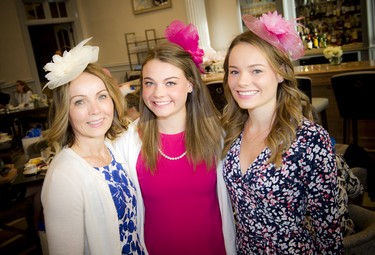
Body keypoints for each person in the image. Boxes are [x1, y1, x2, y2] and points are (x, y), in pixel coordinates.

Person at [220, 11, 343, 254]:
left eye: (256, 70)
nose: (242, 81)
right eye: (234, 71)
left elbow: (328, 230)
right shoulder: (230, 131)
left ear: (279, 73)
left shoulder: (309, 139)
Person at [114, 20, 236, 255]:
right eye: (150, 83)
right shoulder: (128, 143)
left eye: (170, 83)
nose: (158, 93)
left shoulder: (217, 135)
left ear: (190, 84)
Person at [41, 37, 145, 255]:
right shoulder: (64, 175)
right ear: (65, 112)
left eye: (101, 97)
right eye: (80, 101)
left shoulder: (114, 151)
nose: (95, 110)